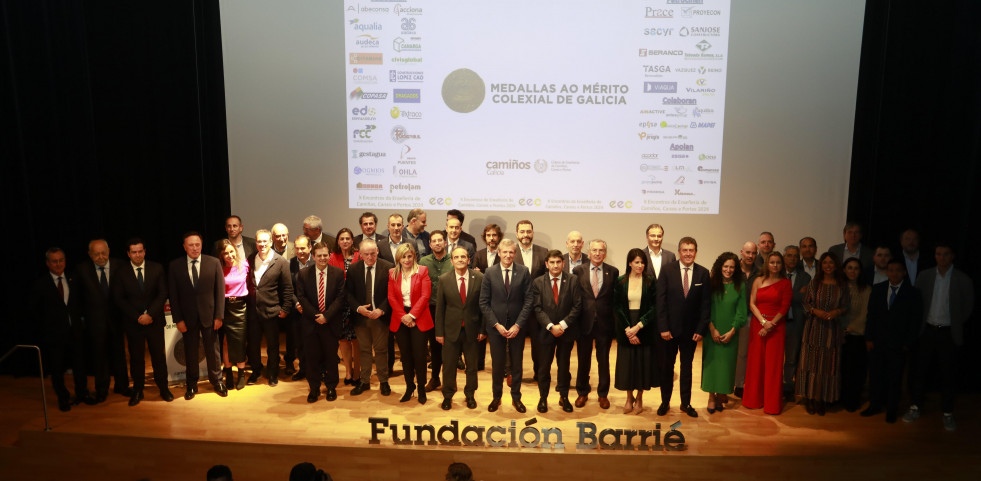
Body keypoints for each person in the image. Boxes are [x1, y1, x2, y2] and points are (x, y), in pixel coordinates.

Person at [904, 243, 974, 431]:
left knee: (948, 375)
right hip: (926, 331)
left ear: (952, 257)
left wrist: (955, 323)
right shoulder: (925, 276)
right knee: (919, 372)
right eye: (938, 254)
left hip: (948, 333)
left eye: (945, 254)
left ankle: (948, 413)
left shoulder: (963, 279)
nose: (941, 257)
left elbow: (967, 307)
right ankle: (915, 406)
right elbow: (917, 302)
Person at [112, 238, 172, 405]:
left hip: (154, 321)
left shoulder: (157, 268)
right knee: (136, 358)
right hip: (133, 323)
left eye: (140, 251)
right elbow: (119, 298)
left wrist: (150, 314)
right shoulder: (121, 272)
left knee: (158, 357)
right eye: (134, 252)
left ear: (144, 252)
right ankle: (138, 390)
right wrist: (138, 316)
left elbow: (162, 294)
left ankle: (163, 388)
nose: (137, 255)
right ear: (128, 254)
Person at [861, 259, 922, 423]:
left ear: (904, 273)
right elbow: (871, 316)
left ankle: (891, 409)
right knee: (875, 376)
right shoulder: (878, 289)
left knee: (894, 378)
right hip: (877, 342)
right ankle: (874, 405)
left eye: (897, 270)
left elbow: (914, 321)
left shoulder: (913, 293)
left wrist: (907, 343)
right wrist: (869, 337)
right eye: (891, 270)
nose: (894, 273)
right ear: (886, 272)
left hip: (898, 344)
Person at [168, 231, 227, 399]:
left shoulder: (214, 262)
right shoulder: (175, 266)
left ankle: (217, 381)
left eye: (197, 244)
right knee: (190, 352)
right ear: (184, 247)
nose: (194, 248)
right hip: (187, 319)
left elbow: (219, 292)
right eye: (191, 245)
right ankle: (192, 385)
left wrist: (219, 316)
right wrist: (178, 319)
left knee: (213, 351)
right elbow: (173, 296)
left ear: (201, 245)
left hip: (210, 316)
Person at [656, 236, 710, 417]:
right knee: (667, 368)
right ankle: (665, 402)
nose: (688, 253)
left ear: (696, 252)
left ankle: (686, 403)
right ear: (679, 252)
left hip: (691, 333)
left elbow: (705, 305)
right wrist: (663, 327)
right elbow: (660, 301)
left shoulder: (703, 273)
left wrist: (701, 329)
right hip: (669, 332)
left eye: (691, 250)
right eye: (685, 250)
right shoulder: (667, 270)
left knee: (686, 369)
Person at [31, 247, 90, 411]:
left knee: (80, 365)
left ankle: (82, 393)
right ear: (48, 263)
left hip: (76, 332)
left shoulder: (74, 278)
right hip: (54, 335)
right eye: (54, 261)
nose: (58, 264)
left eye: (61, 260)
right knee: (57, 369)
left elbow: (81, 303)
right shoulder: (41, 284)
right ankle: (63, 398)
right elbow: (36, 311)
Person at [479, 238, 534, 413]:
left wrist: (518, 325)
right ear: (499, 253)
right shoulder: (489, 272)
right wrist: (496, 324)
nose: (508, 255)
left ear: (515, 254)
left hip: (517, 327)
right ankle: (497, 397)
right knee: (498, 364)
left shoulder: (524, 271)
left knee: (517, 364)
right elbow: (484, 302)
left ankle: (516, 398)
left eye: (511, 252)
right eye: (505, 252)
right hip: (497, 328)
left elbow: (529, 301)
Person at [76, 239, 130, 402]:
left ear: (109, 251)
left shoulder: (120, 265)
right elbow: (78, 298)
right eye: (96, 254)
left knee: (119, 353)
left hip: (117, 319)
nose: (101, 257)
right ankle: (102, 388)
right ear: (90, 255)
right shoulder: (82, 270)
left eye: (103, 253)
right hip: (95, 321)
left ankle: (122, 386)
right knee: (99, 356)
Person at [796, 252, 850, 415]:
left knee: (828, 365)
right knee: (810, 364)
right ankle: (810, 398)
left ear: (836, 265)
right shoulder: (815, 283)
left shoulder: (842, 285)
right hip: (813, 328)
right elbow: (805, 303)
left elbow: (846, 306)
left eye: (831, 263)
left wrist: (837, 312)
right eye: (825, 262)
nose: (828, 265)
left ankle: (822, 399)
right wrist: (815, 311)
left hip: (832, 331)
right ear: (821, 265)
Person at [435, 247, 485, 410]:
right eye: (457, 257)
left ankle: (470, 395)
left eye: (463, 257)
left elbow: (483, 306)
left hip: (472, 330)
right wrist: (439, 332)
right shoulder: (444, 279)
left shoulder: (479, 278)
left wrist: (483, 329)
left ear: (469, 260)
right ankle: (448, 396)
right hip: (450, 331)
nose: (460, 259)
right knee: (449, 366)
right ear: (452, 261)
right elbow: (440, 308)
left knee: (472, 366)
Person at [295, 242, 345, 403]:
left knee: (331, 357)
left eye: (325, 255)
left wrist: (327, 316)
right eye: (319, 255)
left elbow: (340, 297)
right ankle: (314, 388)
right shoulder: (303, 274)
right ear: (313, 256)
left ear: (329, 255)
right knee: (312, 358)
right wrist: (316, 315)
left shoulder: (338, 273)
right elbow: (301, 298)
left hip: (330, 323)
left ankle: (331, 387)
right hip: (311, 323)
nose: (323, 258)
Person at [532, 249, 581, 413]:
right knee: (544, 368)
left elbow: (577, 306)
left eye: (558, 262)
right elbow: (537, 308)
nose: (555, 265)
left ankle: (564, 396)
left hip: (566, 332)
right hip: (546, 333)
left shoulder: (573, 280)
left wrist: (563, 325)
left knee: (564, 366)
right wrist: (551, 326)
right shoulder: (538, 282)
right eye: (552, 262)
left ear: (563, 263)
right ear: (546, 264)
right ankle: (543, 398)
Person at [573, 239, 620, 410]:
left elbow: (614, 300)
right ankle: (582, 392)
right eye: (594, 250)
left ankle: (603, 394)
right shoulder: (578, 270)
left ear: (605, 253)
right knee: (583, 360)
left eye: (601, 250)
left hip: (604, 324)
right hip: (583, 323)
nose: (598, 253)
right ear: (589, 252)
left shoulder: (613, 272)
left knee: (604, 360)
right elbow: (576, 298)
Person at [744, 252, 792, 414]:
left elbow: (784, 308)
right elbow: (752, 303)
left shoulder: (785, 283)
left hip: (777, 328)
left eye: (778, 262)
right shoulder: (758, 280)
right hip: (758, 325)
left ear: (782, 265)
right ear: (767, 264)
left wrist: (771, 324)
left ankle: (771, 404)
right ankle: (753, 400)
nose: (775, 265)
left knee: (773, 365)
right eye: (772, 262)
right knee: (756, 363)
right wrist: (764, 323)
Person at [613, 248, 658, 414]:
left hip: (643, 327)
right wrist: (628, 329)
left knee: (642, 365)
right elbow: (617, 306)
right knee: (627, 365)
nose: (640, 265)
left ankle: (639, 398)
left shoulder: (651, 281)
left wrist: (638, 326)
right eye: (637, 262)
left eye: (642, 262)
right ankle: (628, 397)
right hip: (626, 326)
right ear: (630, 263)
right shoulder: (620, 281)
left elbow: (654, 307)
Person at [346, 238, 394, 395]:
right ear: (360, 254)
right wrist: (359, 308)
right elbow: (348, 294)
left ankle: (384, 381)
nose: (370, 257)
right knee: (364, 350)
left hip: (380, 316)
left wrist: (381, 310)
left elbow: (392, 294)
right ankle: (364, 381)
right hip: (361, 317)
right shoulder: (353, 269)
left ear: (378, 252)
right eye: (366, 254)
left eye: (373, 253)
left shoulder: (388, 268)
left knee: (381, 350)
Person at [246, 229, 293, 387]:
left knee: (273, 346)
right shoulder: (251, 258)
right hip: (252, 311)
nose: (262, 244)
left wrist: (285, 308)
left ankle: (273, 373)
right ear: (256, 242)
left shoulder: (280, 262)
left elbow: (287, 288)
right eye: (259, 241)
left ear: (271, 242)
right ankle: (256, 371)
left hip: (272, 311)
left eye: (265, 241)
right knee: (253, 345)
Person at [388, 243, 434, 404]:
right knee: (406, 357)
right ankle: (409, 387)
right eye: (403, 256)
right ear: (398, 258)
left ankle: (421, 388)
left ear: (414, 256)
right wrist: (404, 316)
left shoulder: (422, 271)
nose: (407, 259)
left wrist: (412, 315)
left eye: (409, 256)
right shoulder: (392, 273)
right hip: (400, 319)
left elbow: (425, 296)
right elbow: (391, 297)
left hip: (419, 317)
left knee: (420, 356)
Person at [701, 252, 746, 413]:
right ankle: (711, 396)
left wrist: (733, 331)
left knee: (726, 367)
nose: (728, 270)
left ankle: (721, 395)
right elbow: (705, 308)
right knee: (712, 365)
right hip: (712, 331)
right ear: (720, 267)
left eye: (732, 267)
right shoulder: (711, 284)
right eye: (726, 266)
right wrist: (712, 329)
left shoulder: (740, 285)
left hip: (731, 333)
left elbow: (741, 312)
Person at [419, 230, 453, 392]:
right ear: (430, 244)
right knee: (434, 346)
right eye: (434, 241)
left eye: (440, 240)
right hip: (430, 310)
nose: (438, 243)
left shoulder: (454, 260)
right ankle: (435, 378)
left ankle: (450, 380)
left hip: (451, 309)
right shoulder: (423, 262)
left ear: (445, 243)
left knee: (451, 347)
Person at [514, 219, 548, 381]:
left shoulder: (543, 252)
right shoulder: (510, 252)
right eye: (522, 231)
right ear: (517, 234)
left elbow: (546, 280)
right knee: (515, 343)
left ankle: (539, 372)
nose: (525, 234)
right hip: (516, 306)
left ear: (532, 233)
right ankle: (513, 372)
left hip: (537, 307)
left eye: (528, 231)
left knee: (538, 343)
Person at [329, 228, 361, 387]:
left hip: (356, 303)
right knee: (343, 339)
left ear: (352, 240)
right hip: (340, 304)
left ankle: (357, 371)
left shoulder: (359, 256)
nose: (345, 241)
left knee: (356, 339)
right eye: (342, 238)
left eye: (348, 238)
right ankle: (348, 371)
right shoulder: (332, 257)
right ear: (338, 241)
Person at [839, 257, 871, 411]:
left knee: (854, 371)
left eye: (856, 268)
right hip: (838, 334)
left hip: (856, 336)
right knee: (840, 370)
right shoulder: (838, 287)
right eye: (849, 268)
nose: (852, 271)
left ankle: (851, 401)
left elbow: (865, 314)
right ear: (844, 270)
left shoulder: (866, 289)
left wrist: (849, 328)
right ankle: (838, 399)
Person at [781, 245, 812, 402]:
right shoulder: (776, 274)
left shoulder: (805, 277)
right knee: (776, 357)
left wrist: (785, 295)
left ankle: (787, 386)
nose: (792, 258)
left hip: (795, 323)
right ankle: (774, 385)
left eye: (795, 256)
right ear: (784, 257)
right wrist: (795, 294)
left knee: (792, 358)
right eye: (789, 255)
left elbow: (803, 298)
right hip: (777, 323)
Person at [218, 240, 249, 390]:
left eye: (231, 252)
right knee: (225, 342)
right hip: (225, 308)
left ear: (236, 252)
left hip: (241, 307)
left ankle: (241, 374)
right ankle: (229, 373)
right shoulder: (219, 268)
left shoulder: (245, 265)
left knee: (240, 341)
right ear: (221, 255)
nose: (229, 255)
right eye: (226, 253)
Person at [287, 235, 315, 381]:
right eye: (297, 248)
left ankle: (318, 370)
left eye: (303, 248)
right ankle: (303, 369)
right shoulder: (290, 264)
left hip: (315, 310)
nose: (300, 251)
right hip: (297, 311)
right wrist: (297, 303)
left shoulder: (317, 261)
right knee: (300, 343)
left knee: (316, 343)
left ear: (310, 247)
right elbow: (288, 288)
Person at [733, 241, 759, 398]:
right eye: (748, 252)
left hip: (751, 316)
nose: (750, 256)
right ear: (741, 252)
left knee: (743, 353)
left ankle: (740, 384)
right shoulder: (732, 269)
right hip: (731, 316)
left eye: (753, 253)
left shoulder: (761, 272)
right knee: (731, 352)